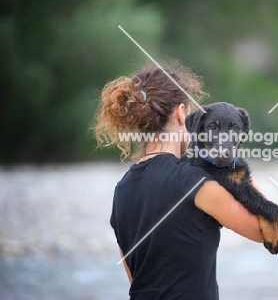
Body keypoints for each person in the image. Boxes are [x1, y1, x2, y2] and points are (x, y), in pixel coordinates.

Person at [93, 64, 264, 299]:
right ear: (181, 113)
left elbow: (135, 277)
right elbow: (264, 230)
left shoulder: (122, 188)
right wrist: (233, 161)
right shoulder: (193, 181)